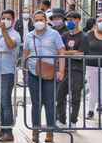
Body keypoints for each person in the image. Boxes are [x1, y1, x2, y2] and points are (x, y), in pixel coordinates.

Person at [23, 11, 65, 143]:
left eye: (41, 19)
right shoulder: (29, 36)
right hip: (33, 73)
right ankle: (35, 131)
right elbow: (26, 53)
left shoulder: (54, 34)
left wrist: (61, 70)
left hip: (49, 73)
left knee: (49, 103)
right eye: (36, 20)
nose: (39, 22)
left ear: (46, 20)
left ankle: (49, 132)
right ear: (33, 21)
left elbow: (61, 51)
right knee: (36, 104)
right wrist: (24, 71)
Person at [0, 10, 21, 142]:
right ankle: (2, 129)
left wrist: (3, 31)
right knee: (0, 103)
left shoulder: (15, 34)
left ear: (13, 20)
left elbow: (10, 45)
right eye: (3, 18)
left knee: (5, 102)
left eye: (8, 18)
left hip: (6, 73)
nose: (5, 20)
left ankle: (8, 132)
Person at [56, 11, 88, 128]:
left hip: (77, 69)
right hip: (64, 69)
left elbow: (80, 53)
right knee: (60, 96)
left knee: (75, 96)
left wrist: (65, 52)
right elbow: (59, 51)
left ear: (78, 20)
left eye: (72, 19)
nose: (69, 22)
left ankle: (73, 121)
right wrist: (69, 53)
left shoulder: (84, 36)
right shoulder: (64, 35)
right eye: (67, 20)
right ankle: (61, 120)